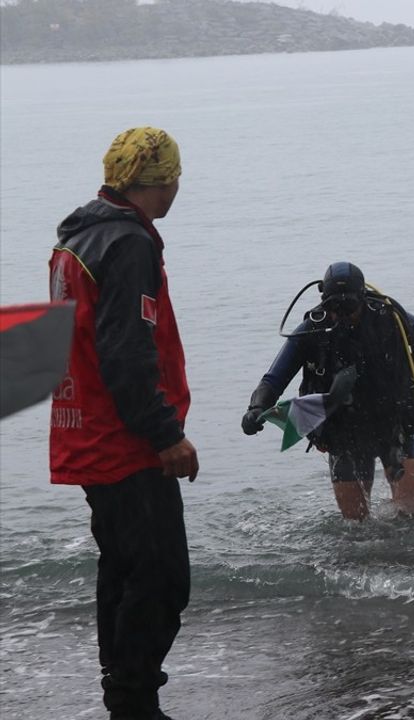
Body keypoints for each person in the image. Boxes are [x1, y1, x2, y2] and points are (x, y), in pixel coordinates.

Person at [49, 127, 199, 720]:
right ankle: (134, 701)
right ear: (164, 180)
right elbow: (126, 352)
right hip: (124, 440)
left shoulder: (78, 238)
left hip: (83, 426)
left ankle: (123, 692)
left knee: (121, 567)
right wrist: (166, 434)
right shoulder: (128, 243)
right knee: (163, 576)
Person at [241, 261, 414, 520]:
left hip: (394, 425)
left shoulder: (391, 319)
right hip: (343, 433)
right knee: (355, 526)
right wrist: (256, 408)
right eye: (334, 307)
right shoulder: (312, 330)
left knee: (411, 516)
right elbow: (274, 379)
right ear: (323, 299)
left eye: (349, 306)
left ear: (363, 297)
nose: (342, 316)